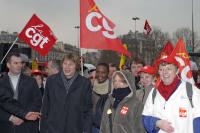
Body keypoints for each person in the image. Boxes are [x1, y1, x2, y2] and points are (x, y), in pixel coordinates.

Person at [142, 55, 200, 133]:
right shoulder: (154, 92)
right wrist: (157, 123)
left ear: (177, 71)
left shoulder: (191, 91)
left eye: (169, 69)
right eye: (161, 69)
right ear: (158, 72)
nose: (165, 72)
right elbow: (145, 117)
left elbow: (198, 120)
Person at [40, 53, 93, 133]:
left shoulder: (84, 83)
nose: (67, 67)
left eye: (71, 64)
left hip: (75, 128)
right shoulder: (51, 81)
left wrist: (86, 130)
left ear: (76, 66)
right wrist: (43, 129)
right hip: (53, 129)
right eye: (65, 63)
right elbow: (45, 106)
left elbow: (88, 110)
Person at [0, 52, 42, 133]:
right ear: (8, 65)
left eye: (21, 63)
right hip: (6, 127)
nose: (19, 65)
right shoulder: (1, 82)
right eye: (16, 63)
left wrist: (25, 116)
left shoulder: (31, 81)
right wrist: (10, 117)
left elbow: (37, 101)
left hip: (28, 126)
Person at [92, 63, 110, 133]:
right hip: (92, 127)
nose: (100, 75)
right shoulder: (90, 86)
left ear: (108, 73)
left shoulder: (112, 88)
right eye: (98, 72)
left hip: (106, 128)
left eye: (103, 73)